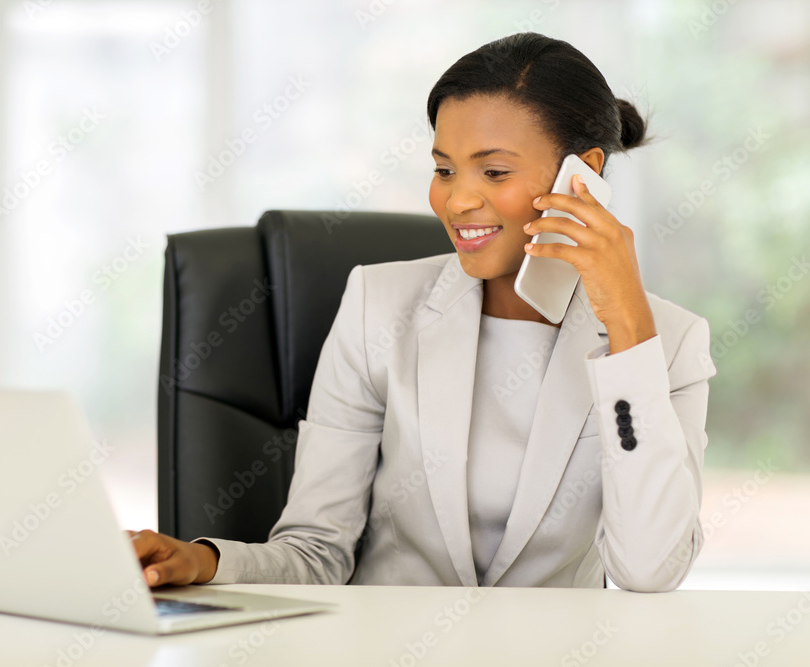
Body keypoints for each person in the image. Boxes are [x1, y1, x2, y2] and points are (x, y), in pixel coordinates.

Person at [128, 32, 716, 593]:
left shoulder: (670, 342)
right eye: (443, 169)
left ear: (582, 174)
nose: (457, 199)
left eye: (494, 172)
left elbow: (649, 569)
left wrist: (630, 335)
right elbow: (315, 554)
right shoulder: (374, 308)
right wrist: (202, 561)